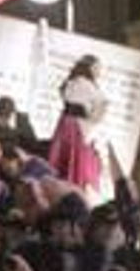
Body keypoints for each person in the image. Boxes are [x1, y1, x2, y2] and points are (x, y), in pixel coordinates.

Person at [46, 56, 109, 199]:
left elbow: (65, 96)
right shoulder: (87, 85)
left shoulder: (71, 82)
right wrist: (93, 116)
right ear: (89, 68)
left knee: (65, 156)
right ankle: (75, 190)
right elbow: (100, 107)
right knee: (78, 158)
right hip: (78, 127)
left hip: (65, 123)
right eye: (97, 68)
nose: (99, 72)